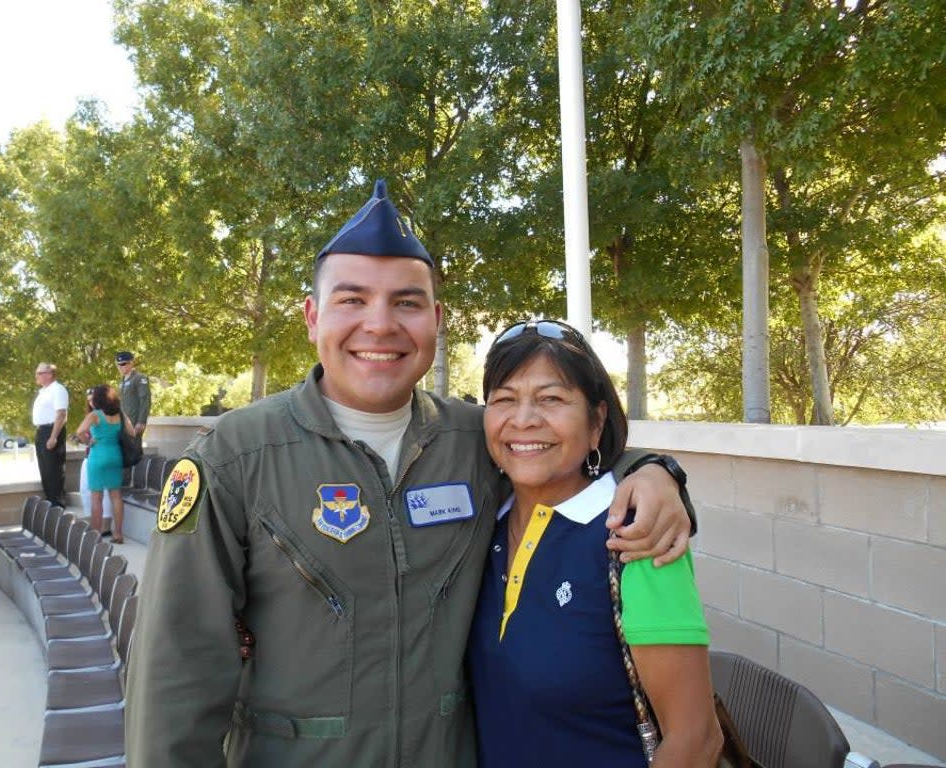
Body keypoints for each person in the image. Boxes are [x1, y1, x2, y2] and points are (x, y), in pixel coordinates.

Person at [126, 180, 694, 767]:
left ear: (436, 320)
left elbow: (568, 449)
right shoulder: (233, 458)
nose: (380, 325)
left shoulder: (476, 441)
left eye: (406, 302)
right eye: (351, 300)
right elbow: (177, 670)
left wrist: (655, 472)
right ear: (312, 316)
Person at [468, 320, 721, 767]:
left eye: (552, 399)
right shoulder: (480, 524)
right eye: (504, 400)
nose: (524, 419)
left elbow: (696, 741)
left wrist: (658, 472)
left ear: (596, 420)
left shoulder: (637, 536)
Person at [77, 385, 133, 544]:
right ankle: (118, 534)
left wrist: (89, 442)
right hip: (115, 455)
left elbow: (80, 431)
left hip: (98, 456)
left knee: (96, 497)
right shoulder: (120, 414)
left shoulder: (95, 415)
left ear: (97, 398)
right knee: (116, 496)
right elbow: (132, 432)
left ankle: (96, 535)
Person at [32, 362, 69, 508]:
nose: (37, 376)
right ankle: (50, 503)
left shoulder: (58, 390)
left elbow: (61, 414)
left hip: (52, 430)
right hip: (42, 431)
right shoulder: (44, 391)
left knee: (54, 470)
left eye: (39, 373)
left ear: (49, 374)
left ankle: (57, 506)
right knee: (45, 470)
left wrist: (53, 437)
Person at [116, 351, 151, 445]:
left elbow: (144, 400)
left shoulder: (139, 378)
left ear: (131, 363)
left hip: (134, 421)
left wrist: (141, 421)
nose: (120, 367)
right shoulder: (122, 381)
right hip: (122, 422)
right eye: (118, 365)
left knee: (133, 450)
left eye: (123, 364)